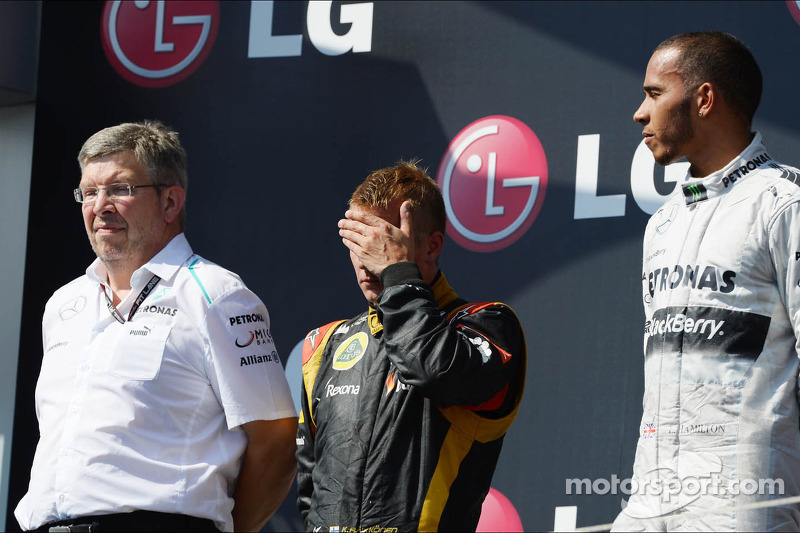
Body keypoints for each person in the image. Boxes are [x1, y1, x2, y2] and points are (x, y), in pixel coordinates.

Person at [14, 121, 297, 532]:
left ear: (170, 202)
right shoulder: (64, 303)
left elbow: (276, 441)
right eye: (89, 192)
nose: (100, 206)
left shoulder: (215, 293)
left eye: (120, 189)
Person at [613, 32, 800, 531]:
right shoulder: (663, 222)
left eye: (654, 94)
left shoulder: (783, 203)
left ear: (704, 98)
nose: (639, 112)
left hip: (743, 497)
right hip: (648, 497)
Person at [295, 160, 527, 532]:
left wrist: (399, 276)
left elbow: (433, 370)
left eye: (383, 242)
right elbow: (311, 492)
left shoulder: (487, 326)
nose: (366, 259)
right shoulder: (323, 345)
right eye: (357, 241)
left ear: (431, 246)